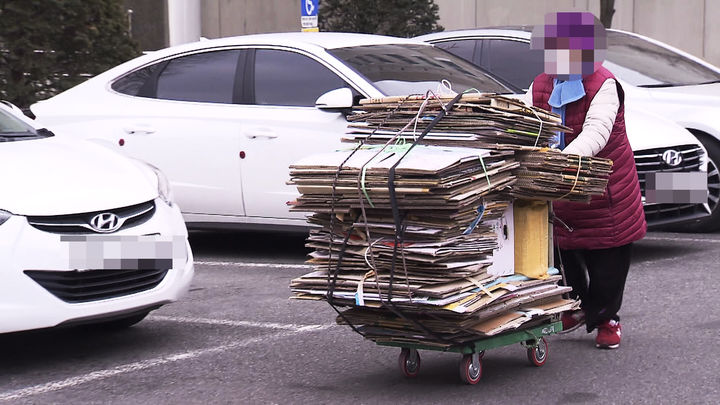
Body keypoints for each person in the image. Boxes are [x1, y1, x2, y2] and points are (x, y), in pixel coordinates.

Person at [521, 11, 647, 349]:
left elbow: (597, 131)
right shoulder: (541, 83)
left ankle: (606, 318)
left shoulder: (604, 84)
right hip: (560, 190)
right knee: (562, 256)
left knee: (608, 264)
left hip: (605, 191)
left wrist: (560, 161)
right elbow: (528, 123)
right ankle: (574, 307)